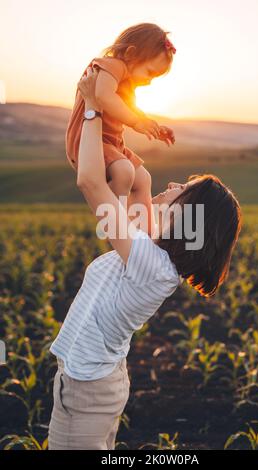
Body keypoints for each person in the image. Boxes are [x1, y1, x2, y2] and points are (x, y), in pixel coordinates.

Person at [48, 67, 242, 450]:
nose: (174, 184)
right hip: (94, 382)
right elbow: (142, 184)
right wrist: (116, 112)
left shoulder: (152, 265)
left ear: (188, 214)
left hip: (87, 391)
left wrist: (92, 108)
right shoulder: (152, 246)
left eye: (182, 189)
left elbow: (90, 181)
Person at [66, 23, 177, 235]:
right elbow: (103, 96)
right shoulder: (110, 65)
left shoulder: (127, 82)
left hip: (112, 144)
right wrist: (137, 122)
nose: (149, 81)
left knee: (143, 178)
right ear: (130, 53)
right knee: (124, 171)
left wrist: (150, 124)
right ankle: (120, 230)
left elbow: (127, 109)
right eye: (150, 72)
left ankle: (145, 235)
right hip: (89, 141)